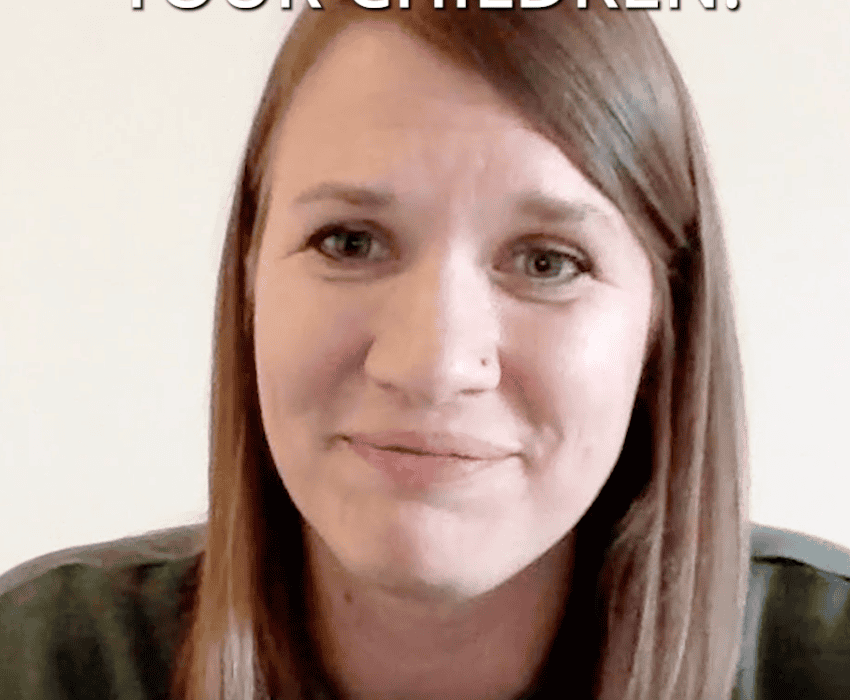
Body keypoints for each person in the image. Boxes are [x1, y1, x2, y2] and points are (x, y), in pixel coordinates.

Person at [0, 2, 750, 700]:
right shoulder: (36, 662)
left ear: (666, 316)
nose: (432, 366)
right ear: (250, 279)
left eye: (547, 262)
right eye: (350, 242)